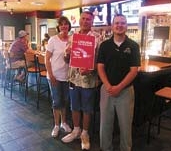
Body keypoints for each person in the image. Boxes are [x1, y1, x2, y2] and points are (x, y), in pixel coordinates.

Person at [97, 14, 141, 151]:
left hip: (126, 91)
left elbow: (134, 71)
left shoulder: (133, 46)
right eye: (117, 23)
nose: (119, 25)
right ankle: (105, 148)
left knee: (126, 125)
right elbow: (100, 67)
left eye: (122, 23)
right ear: (112, 26)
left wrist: (119, 87)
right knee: (105, 124)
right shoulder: (104, 45)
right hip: (106, 90)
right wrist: (109, 86)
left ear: (126, 26)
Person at [62, 11, 101, 150]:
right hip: (73, 77)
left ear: (92, 22)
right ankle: (76, 130)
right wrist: (67, 55)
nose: (85, 21)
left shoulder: (97, 38)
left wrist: (91, 68)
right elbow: (66, 59)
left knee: (87, 108)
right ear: (79, 20)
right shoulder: (73, 37)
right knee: (74, 106)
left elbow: (101, 61)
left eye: (88, 20)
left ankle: (85, 134)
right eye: (83, 19)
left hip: (88, 80)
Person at [45, 16, 72, 137]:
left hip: (67, 76)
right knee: (57, 101)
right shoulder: (53, 40)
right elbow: (47, 59)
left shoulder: (72, 40)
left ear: (69, 26)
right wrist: (51, 75)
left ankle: (63, 122)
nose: (64, 26)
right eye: (61, 24)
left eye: (66, 24)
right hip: (54, 75)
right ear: (59, 27)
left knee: (65, 101)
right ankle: (56, 125)